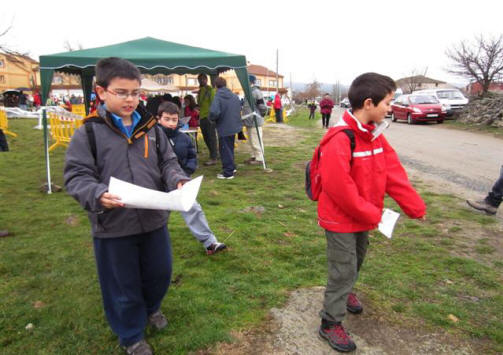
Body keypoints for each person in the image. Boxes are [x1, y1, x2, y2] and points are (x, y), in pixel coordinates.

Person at [64, 57, 188, 355]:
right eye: (122, 92)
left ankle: (150, 308)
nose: (131, 99)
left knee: (159, 272)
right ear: (101, 91)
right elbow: (76, 175)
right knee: (122, 284)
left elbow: (168, 163)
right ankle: (131, 335)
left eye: (135, 92)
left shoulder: (152, 128)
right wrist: (96, 194)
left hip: (153, 219)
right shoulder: (88, 132)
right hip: (113, 224)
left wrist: (178, 180)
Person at [316, 72, 426, 352]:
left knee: (357, 260)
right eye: (388, 102)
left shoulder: (374, 136)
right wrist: (373, 214)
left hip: (363, 216)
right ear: (368, 103)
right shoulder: (340, 139)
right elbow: (339, 188)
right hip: (340, 219)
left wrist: (414, 206)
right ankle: (330, 321)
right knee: (342, 269)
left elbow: (392, 172)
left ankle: (345, 293)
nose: (390, 108)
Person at [157, 101, 227, 254]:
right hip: (158, 184)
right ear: (159, 119)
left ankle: (210, 243)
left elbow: (191, 156)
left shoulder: (185, 138)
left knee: (193, 209)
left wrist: (186, 171)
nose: (170, 123)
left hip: (180, 182)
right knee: (154, 217)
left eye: (174, 119)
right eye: (167, 119)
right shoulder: (151, 139)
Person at [209, 77, 242, 180]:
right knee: (230, 148)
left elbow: (214, 112)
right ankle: (232, 167)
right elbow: (238, 108)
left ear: (215, 86)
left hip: (224, 127)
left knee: (225, 150)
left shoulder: (218, 96)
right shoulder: (234, 96)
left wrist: (211, 119)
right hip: (234, 126)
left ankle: (228, 173)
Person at [242, 75, 267, 165]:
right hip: (249, 121)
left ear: (250, 82)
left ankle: (260, 158)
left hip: (255, 120)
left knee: (256, 140)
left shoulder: (256, 91)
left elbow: (262, 106)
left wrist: (261, 115)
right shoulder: (248, 91)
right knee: (252, 140)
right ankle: (254, 156)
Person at [197, 73, 218, 166]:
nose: (201, 81)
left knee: (211, 138)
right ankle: (213, 154)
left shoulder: (210, 90)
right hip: (202, 117)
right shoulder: (200, 91)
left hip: (209, 117)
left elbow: (214, 104)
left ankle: (213, 157)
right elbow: (200, 103)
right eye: (199, 79)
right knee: (206, 138)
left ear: (206, 79)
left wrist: (212, 117)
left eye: (203, 79)